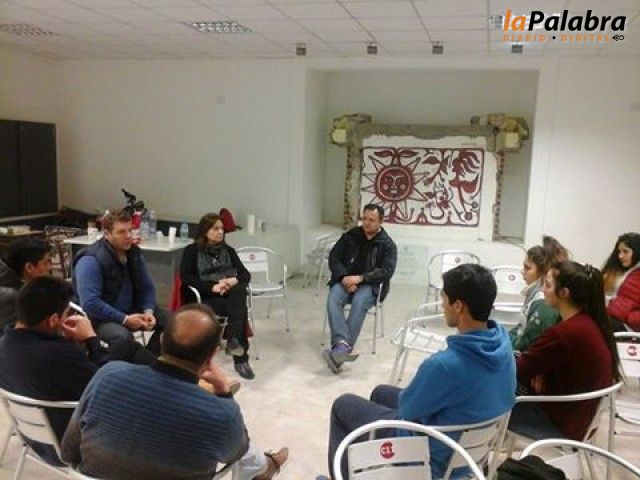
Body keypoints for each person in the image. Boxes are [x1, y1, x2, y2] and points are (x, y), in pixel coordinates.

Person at [319, 264, 516, 479]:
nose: (443, 306)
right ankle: (376, 468)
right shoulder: (504, 347)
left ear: (458, 306)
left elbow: (407, 409)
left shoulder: (445, 365)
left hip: (430, 456)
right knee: (381, 392)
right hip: (470, 453)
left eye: (444, 299)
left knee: (343, 405)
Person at [61, 304, 288, 480]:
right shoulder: (221, 414)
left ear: (161, 339)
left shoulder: (107, 375)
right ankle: (268, 466)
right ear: (213, 354)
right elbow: (237, 452)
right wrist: (224, 393)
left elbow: (69, 452)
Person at [0, 277, 114, 464]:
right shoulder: (59, 355)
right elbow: (109, 388)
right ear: (53, 319)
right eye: (66, 314)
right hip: (71, 448)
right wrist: (91, 339)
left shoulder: (4, 345)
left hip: (33, 439)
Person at [509, 261, 622, 441]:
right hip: (578, 418)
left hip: (560, 424)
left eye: (547, 285)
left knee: (489, 397)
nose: (542, 290)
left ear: (564, 293)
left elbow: (517, 370)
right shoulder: (589, 323)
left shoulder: (565, 334)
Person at [73, 209, 168, 355]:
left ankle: (149, 360)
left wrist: (148, 311)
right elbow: (90, 303)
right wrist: (125, 319)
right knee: (123, 338)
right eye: (121, 232)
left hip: (132, 309)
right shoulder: (90, 259)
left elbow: (147, 287)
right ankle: (119, 364)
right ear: (106, 234)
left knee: (174, 323)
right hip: (101, 317)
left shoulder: (133, 253)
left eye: (130, 230)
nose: (128, 236)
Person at [323, 204, 397, 373]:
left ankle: (340, 350)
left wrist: (360, 278)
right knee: (334, 297)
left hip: (370, 285)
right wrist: (344, 278)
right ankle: (342, 346)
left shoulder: (387, 245)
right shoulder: (351, 236)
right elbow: (334, 258)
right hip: (345, 280)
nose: (366, 223)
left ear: (381, 222)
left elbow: (386, 271)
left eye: (372, 220)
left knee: (359, 300)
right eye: (364, 218)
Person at [180, 213, 254, 379]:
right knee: (239, 309)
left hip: (228, 295)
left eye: (222, 229)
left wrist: (233, 280)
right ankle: (240, 358)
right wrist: (212, 287)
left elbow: (245, 275)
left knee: (239, 291)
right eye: (215, 229)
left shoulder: (229, 251)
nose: (220, 232)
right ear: (205, 231)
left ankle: (234, 339)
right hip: (205, 297)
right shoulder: (192, 251)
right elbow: (186, 277)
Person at [509, 235, 567, 352]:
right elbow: (521, 328)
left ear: (543, 272)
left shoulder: (543, 303)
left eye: (527, 268)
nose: (522, 271)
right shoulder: (534, 295)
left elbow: (529, 344)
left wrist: (506, 343)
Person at [0, 237, 51, 334]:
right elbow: (13, 337)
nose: (49, 267)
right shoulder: (13, 298)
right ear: (29, 267)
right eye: (45, 263)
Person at [603, 232, 640, 331]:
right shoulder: (627, 272)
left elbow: (622, 308)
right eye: (619, 252)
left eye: (625, 251)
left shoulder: (637, 276)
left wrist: (602, 304)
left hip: (629, 327)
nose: (620, 256)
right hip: (621, 320)